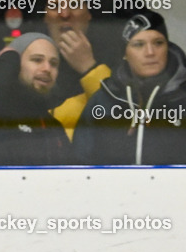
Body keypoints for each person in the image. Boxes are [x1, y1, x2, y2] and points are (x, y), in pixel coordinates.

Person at [73, 10, 186, 166]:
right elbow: (80, 165)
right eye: (138, 44)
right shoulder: (104, 101)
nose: (150, 52)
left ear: (168, 46)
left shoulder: (182, 97)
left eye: (158, 43)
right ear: (125, 53)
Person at [0, 33, 71, 166]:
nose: (47, 68)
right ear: (16, 66)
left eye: (54, 64)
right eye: (37, 60)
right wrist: (8, 59)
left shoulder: (53, 126)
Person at [39, 0, 121, 140]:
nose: (64, 14)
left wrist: (88, 67)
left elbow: (119, 119)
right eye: (54, 6)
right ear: (45, 17)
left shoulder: (117, 55)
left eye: (74, 4)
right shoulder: (27, 58)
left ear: (89, 14)